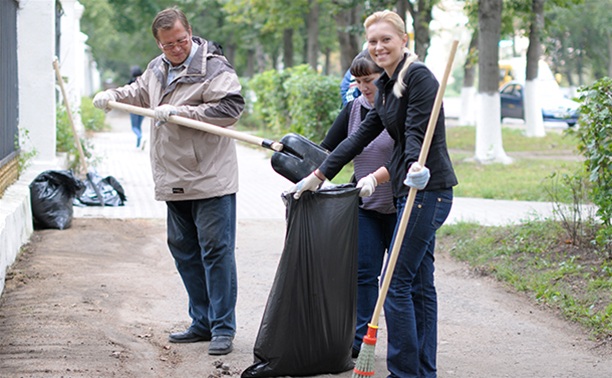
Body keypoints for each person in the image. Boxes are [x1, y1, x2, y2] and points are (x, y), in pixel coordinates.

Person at [288, 10, 458, 378]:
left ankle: (404, 373)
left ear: (404, 40)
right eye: (373, 41)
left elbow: (417, 131)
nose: (378, 47)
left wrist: (415, 164)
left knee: (395, 284)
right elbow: (358, 137)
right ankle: (422, 371)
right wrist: (318, 175)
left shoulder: (418, 77)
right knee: (417, 286)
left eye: (386, 39)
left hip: (429, 191)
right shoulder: (386, 86)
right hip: (408, 192)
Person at [92, 7, 245, 356]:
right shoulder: (157, 68)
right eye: (168, 45)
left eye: (181, 41)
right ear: (158, 44)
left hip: (210, 177)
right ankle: (202, 322)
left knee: (216, 251)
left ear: (190, 32)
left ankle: (223, 328)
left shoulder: (214, 67)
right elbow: (139, 92)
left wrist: (181, 112)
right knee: (185, 252)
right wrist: (113, 96)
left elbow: (231, 109)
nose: (176, 49)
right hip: (173, 176)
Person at [319, 50, 396, 359]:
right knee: (364, 274)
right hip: (365, 207)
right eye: (359, 81)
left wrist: (377, 178)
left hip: (400, 205)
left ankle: (405, 343)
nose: (365, 87)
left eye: (370, 79)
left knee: (401, 280)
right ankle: (361, 339)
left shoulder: (398, 110)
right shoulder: (353, 109)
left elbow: (406, 155)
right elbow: (328, 150)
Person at [128, 66, 145, 149]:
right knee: (139, 125)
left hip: (134, 108)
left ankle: (139, 136)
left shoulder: (131, 83)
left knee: (134, 126)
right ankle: (138, 144)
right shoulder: (144, 81)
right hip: (143, 108)